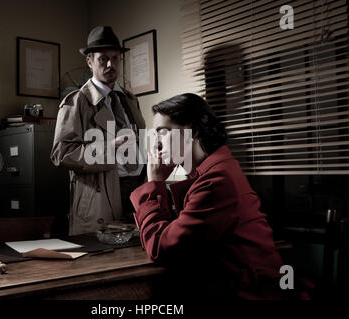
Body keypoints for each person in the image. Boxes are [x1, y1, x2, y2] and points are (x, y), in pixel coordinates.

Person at [130, 93, 290, 299]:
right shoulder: (215, 169)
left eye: (163, 132)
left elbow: (161, 248)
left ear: (193, 131)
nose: (156, 145)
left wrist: (154, 184)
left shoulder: (217, 180)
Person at [51, 26, 146, 235]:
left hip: (137, 192)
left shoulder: (131, 100)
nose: (111, 64)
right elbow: (62, 154)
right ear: (90, 61)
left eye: (115, 58)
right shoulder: (76, 102)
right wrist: (109, 148)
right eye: (103, 59)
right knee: (104, 260)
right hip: (100, 196)